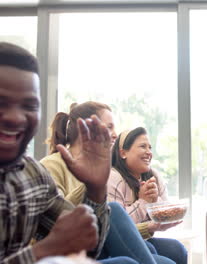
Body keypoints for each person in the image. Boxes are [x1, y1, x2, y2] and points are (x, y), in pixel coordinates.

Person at [0, 42, 112, 263]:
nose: (15, 117)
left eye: (29, 106)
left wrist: (96, 188)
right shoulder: (52, 165)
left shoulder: (33, 175)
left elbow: (86, 246)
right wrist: (43, 251)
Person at [40, 101, 175, 264]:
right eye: (109, 127)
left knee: (173, 252)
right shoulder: (52, 165)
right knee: (116, 212)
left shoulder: (105, 169)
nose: (115, 135)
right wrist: (91, 184)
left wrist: (149, 226)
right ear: (85, 127)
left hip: (97, 243)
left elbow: (110, 227)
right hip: (65, 250)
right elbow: (54, 222)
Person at [108, 127, 188, 264]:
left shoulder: (153, 175)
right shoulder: (113, 178)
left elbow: (166, 213)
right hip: (120, 244)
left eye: (149, 147)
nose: (149, 152)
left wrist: (155, 199)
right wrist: (143, 202)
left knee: (178, 249)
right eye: (142, 146)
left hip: (145, 238)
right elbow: (117, 227)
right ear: (123, 153)